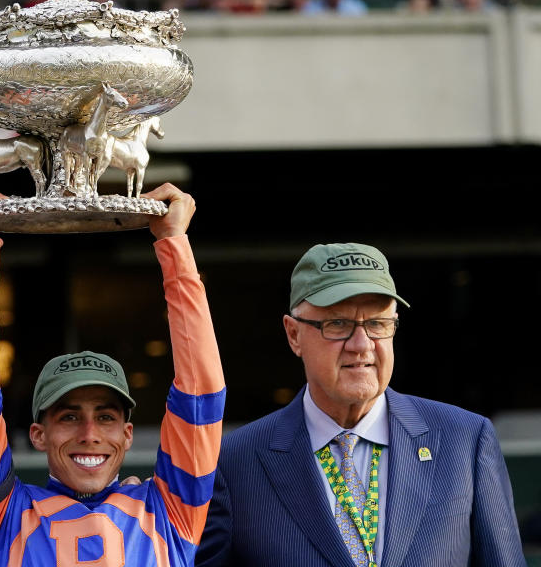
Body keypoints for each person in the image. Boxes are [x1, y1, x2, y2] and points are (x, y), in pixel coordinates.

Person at [195, 242, 526, 567]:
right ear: (294, 335)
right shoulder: (235, 463)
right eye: (338, 324)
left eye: (378, 324)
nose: (361, 345)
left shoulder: (465, 440)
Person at [0, 184, 225, 566]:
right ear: (38, 435)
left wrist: (175, 243)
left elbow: (201, 394)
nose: (89, 435)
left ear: (127, 435)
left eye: (106, 416)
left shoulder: (171, 511)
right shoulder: (1, 517)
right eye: (69, 416)